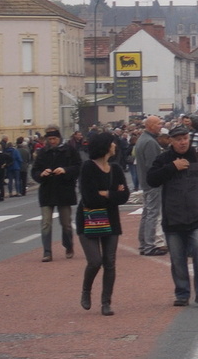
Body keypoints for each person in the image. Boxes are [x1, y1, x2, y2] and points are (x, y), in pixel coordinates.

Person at [147, 125, 198, 308]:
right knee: (177, 258)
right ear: (171, 140)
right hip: (173, 218)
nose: (182, 142)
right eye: (178, 139)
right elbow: (151, 179)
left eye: (185, 138)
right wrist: (172, 167)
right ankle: (182, 293)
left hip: (197, 217)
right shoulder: (164, 159)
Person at [76, 132, 130, 316]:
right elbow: (89, 198)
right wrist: (113, 194)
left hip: (111, 220)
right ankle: (86, 290)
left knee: (110, 262)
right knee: (95, 261)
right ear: (105, 146)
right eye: (112, 144)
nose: (115, 146)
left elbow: (125, 196)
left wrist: (106, 194)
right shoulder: (87, 168)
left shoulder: (116, 169)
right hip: (88, 219)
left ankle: (106, 302)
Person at [31, 124, 82, 262]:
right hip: (47, 191)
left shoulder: (69, 151)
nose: (52, 141)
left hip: (64, 190)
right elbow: (34, 171)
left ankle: (68, 245)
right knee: (46, 222)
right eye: (49, 139)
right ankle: (47, 251)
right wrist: (41, 174)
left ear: (58, 138)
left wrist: (65, 170)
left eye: (54, 138)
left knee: (65, 222)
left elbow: (78, 167)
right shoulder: (42, 153)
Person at [135, 115, 167, 256]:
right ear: (151, 126)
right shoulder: (150, 143)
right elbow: (153, 166)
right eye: (159, 124)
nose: (161, 126)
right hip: (153, 183)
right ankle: (149, 245)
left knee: (147, 213)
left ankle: (144, 244)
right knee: (152, 214)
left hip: (145, 182)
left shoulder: (142, 139)